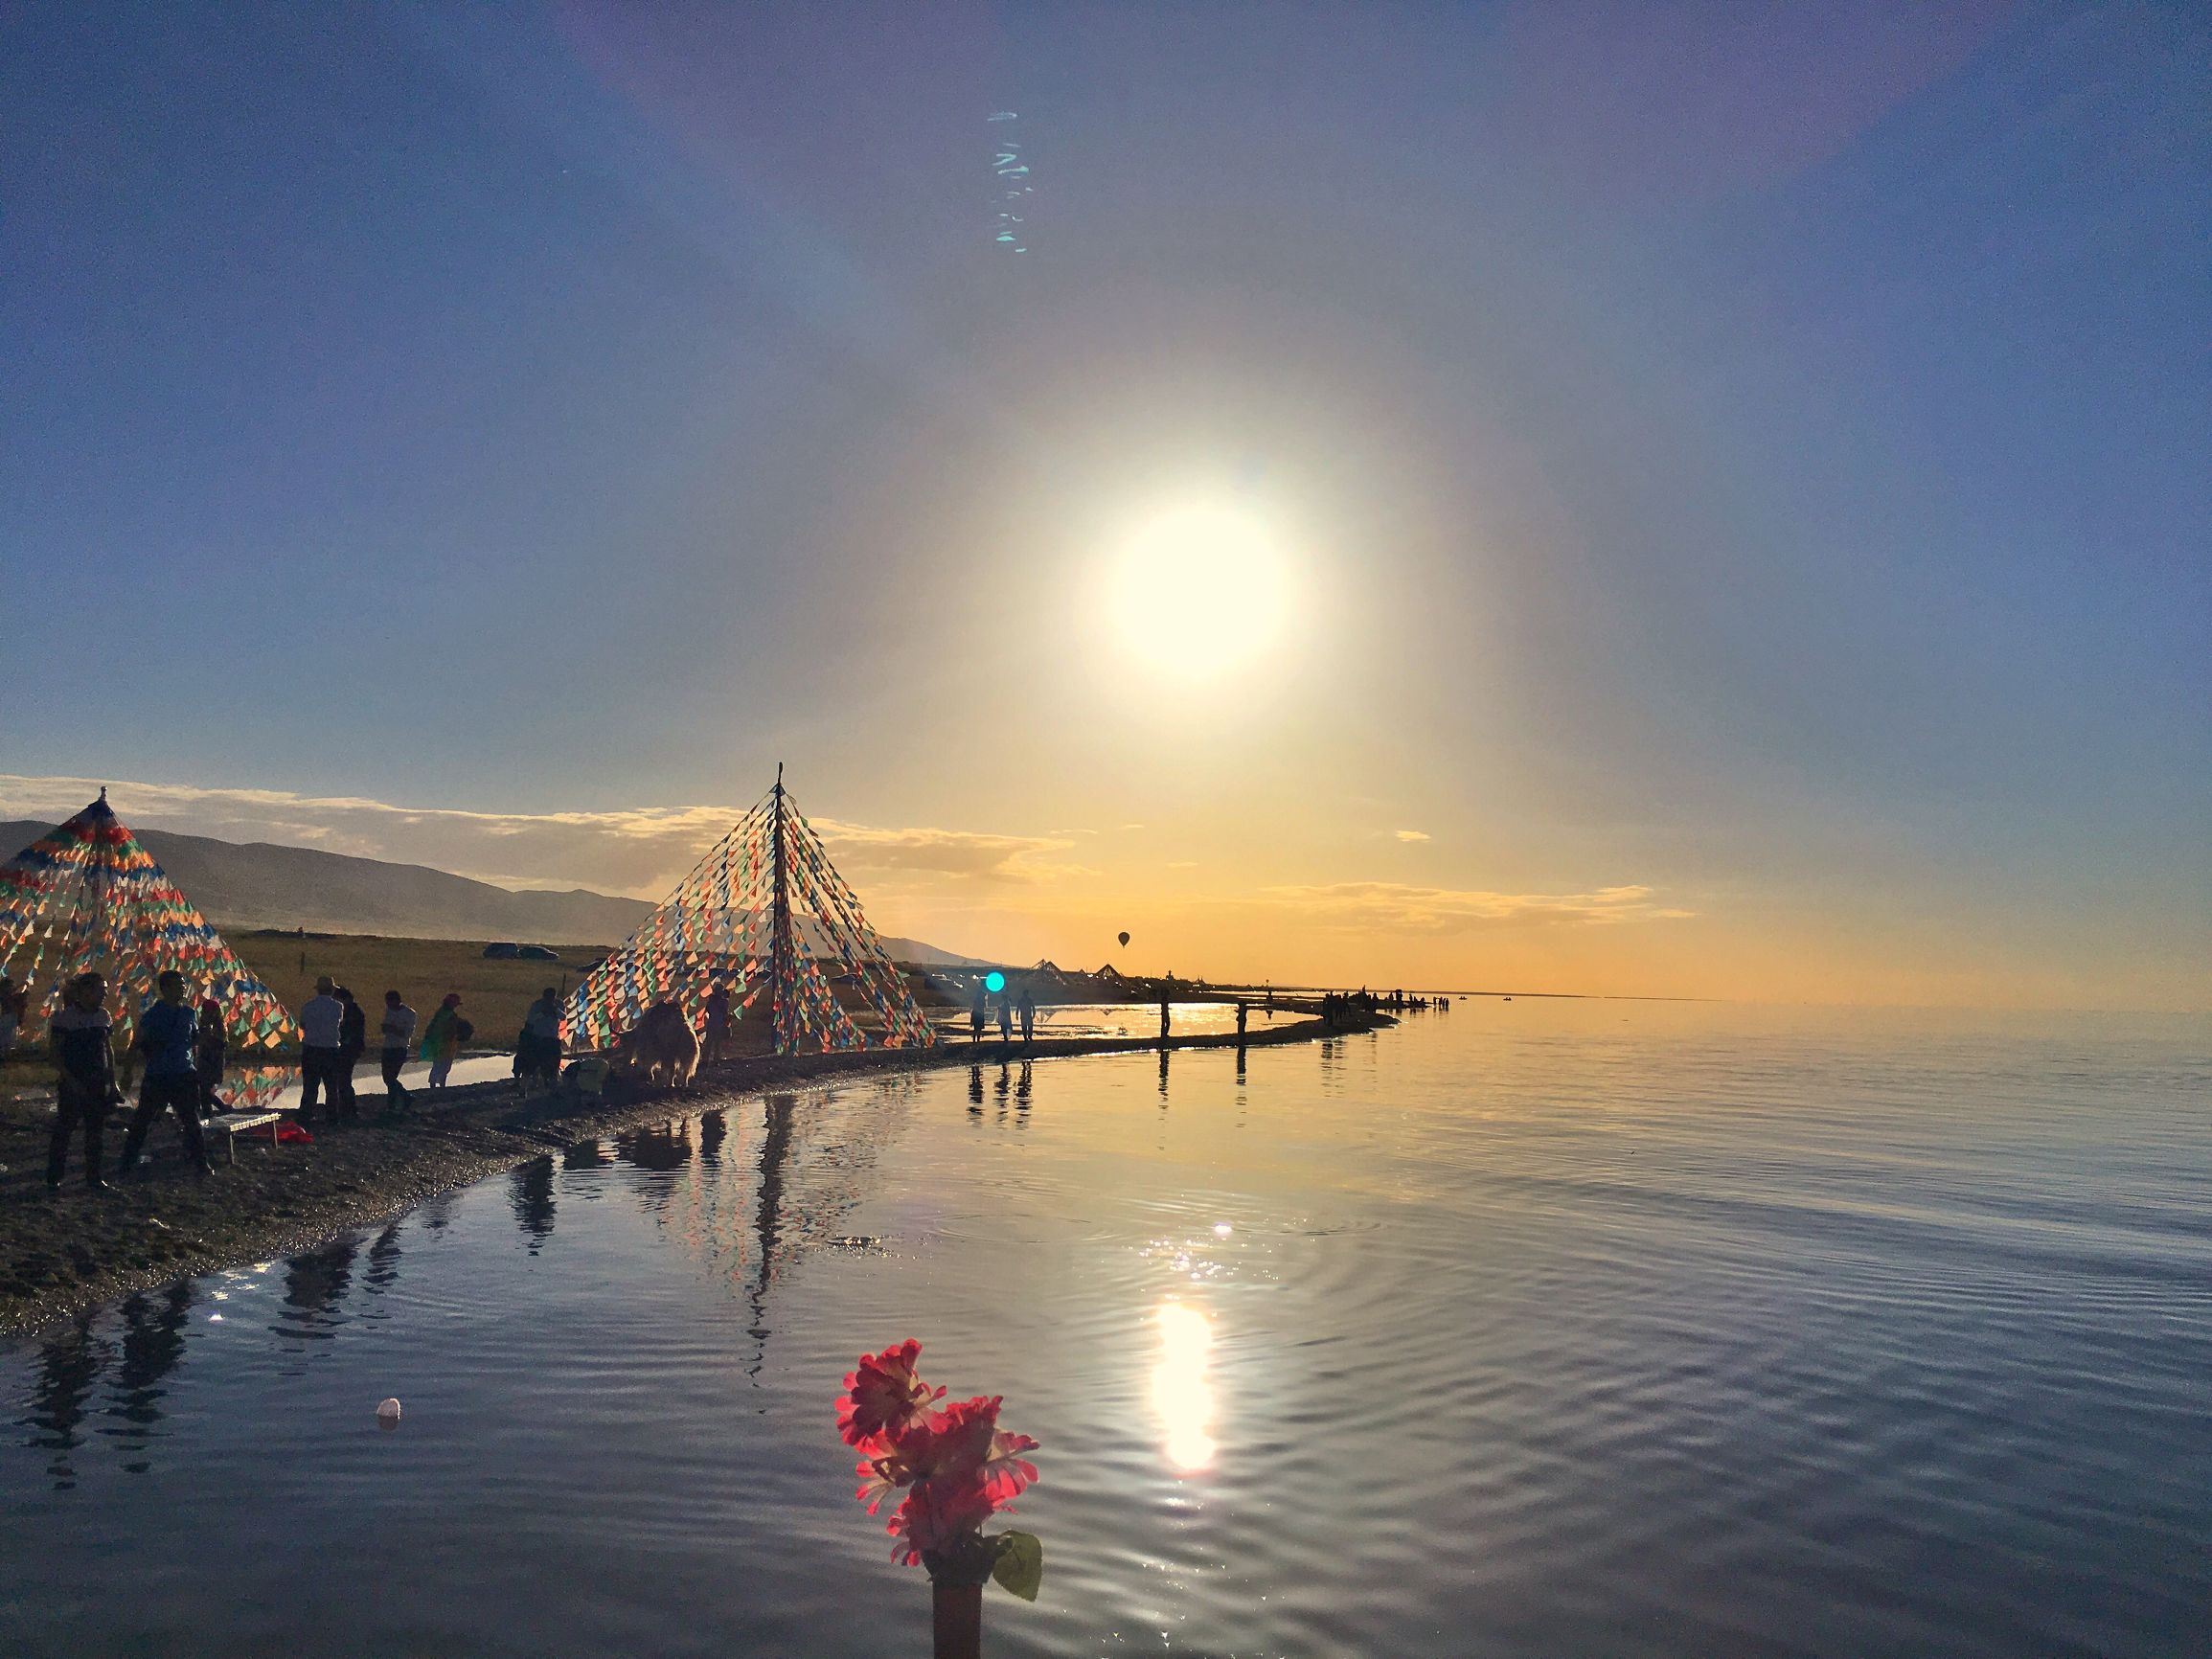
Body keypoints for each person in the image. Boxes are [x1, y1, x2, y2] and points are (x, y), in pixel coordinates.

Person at [117, 969, 213, 1178]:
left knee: (192, 1120)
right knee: (142, 1120)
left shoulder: (189, 1013)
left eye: (183, 984)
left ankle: (200, 1162)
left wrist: (203, 1037)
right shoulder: (153, 1015)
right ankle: (127, 1162)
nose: (183, 988)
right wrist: (127, 1072)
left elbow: (192, 1041)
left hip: (184, 1073)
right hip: (158, 1075)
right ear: (166, 988)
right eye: (178, 985)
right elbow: (137, 1044)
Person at [47, 970, 120, 1192]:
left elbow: (108, 1049)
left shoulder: (103, 1016)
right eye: (100, 990)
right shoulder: (64, 1019)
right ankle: (54, 1177)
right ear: (85, 992)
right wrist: (70, 1079)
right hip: (72, 1082)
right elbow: (55, 1054)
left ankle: (94, 1177)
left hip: (97, 1081)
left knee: (95, 1132)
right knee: (64, 1130)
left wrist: (113, 1081)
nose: (104, 995)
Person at [297, 976, 345, 1122]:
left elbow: (303, 1025)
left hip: (311, 1049)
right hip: (330, 1050)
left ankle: (306, 1114)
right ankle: (332, 1115)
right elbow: (339, 1023)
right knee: (331, 1086)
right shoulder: (338, 1007)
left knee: (310, 1085)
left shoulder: (308, 1006)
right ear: (331, 990)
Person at [517, 988, 562, 1091]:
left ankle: (552, 1086)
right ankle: (525, 1087)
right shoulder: (536, 1005)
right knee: (532, 1065)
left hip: (552, 1038)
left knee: (553, 1064)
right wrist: (543, 1013)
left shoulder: (559, 1004)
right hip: (538, 1038)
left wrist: (555, 1009)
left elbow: (563, 1017)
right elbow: (530, 1020)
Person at [379, 989, 417, 1114]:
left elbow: (407, 1034)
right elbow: (385, 1028)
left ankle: (394, 1102)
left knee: (391, 1077)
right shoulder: (389, 1011)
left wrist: (393, 1029)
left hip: (400, 1048)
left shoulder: (410, 1014)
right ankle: (404, 1098)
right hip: (388, 1047)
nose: (388, 1006)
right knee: (387, 1077)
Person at [335, 986, 367, 1122]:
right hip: (349, 1048)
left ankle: (349, 1108)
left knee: (343, 1079)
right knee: (343, 1079)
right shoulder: (352, 1011)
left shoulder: (354, 1012)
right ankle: (347, 1108)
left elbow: (351, 1032)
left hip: (349, 1049)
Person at [194, 994, 228, 1117]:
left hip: (212, 1064)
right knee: (204, 1095)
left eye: (206, 1011)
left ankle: (224, 1111)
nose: (203, 1014)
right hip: (204, 1064)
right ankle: (214, 1114)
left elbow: (218, 1047)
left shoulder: (217, 1029)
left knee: (206, 1094)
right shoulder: (205, 1028)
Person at [421, 992, 462, 1090]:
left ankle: (434, 1084)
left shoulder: (440, 1013)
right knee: (445, 1065)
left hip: (437, 1042)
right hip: (446, 1043)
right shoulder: (450, 1015)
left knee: (438, 1064)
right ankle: (440, 1084)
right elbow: (451, 1029)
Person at [702, 981, 732, 1064]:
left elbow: (708, 1010)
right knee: (717, 1043)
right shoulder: (724, 1002)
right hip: (720, 1023)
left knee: (709, 1042)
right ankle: (716, 1060)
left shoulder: (711, 1001)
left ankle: (705, 1059)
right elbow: (725, 1012)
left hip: (711, 1022)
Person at [0, 971, 26, 1057]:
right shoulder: (4, 994)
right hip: (7, 1015)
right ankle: (3, 1053)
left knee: (10, 1035)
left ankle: (6, 1053)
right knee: (6, 1035)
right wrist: (21, 984)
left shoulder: (8, 994)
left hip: (10, 1015)